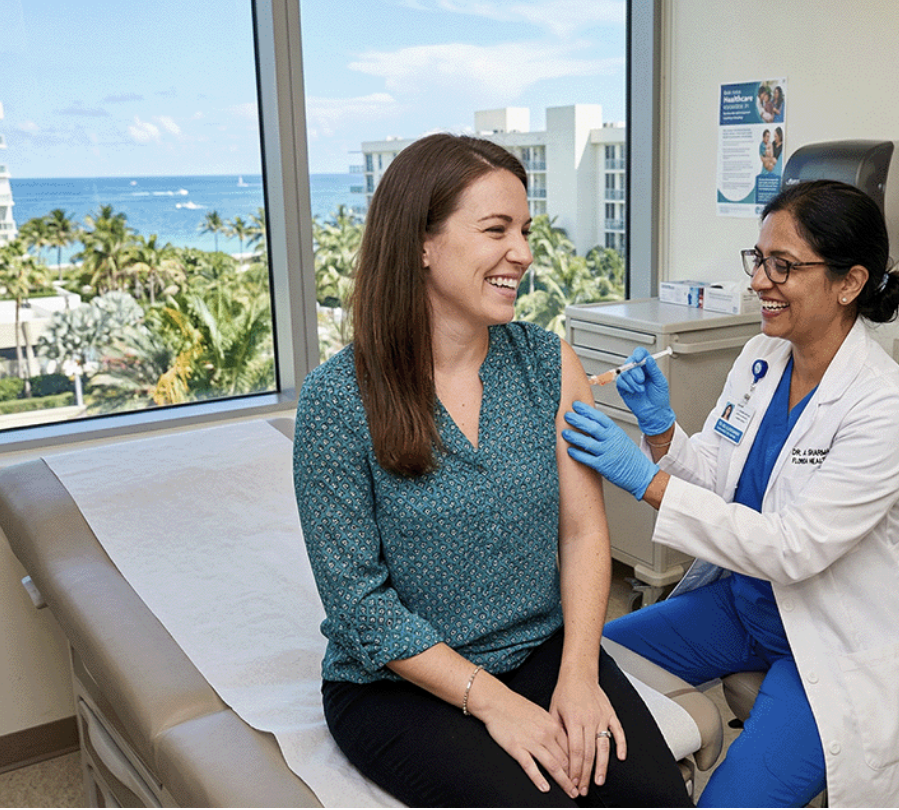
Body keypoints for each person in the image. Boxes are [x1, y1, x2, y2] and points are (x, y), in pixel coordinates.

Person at [293, 134, 691, 808]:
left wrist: (579, 673)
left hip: (542, 650)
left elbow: (582, 534)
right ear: (422, 242)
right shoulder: (339, 400)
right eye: (496, 230)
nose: (525, 254)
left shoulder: (547, 364)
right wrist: (495, 705)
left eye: (526, 230)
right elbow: (361, 608)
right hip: (398, 686)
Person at [562, 180, 899, 808]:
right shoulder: (762, 355)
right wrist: (661, 431)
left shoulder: (883, 404)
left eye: (784, 266)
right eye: (759, 260)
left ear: (849, 283)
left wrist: (646, 480)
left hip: (827, 634)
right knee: (588, 667)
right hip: (743, 605)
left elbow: (792, 549)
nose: (760, 281)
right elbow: (718, 476)